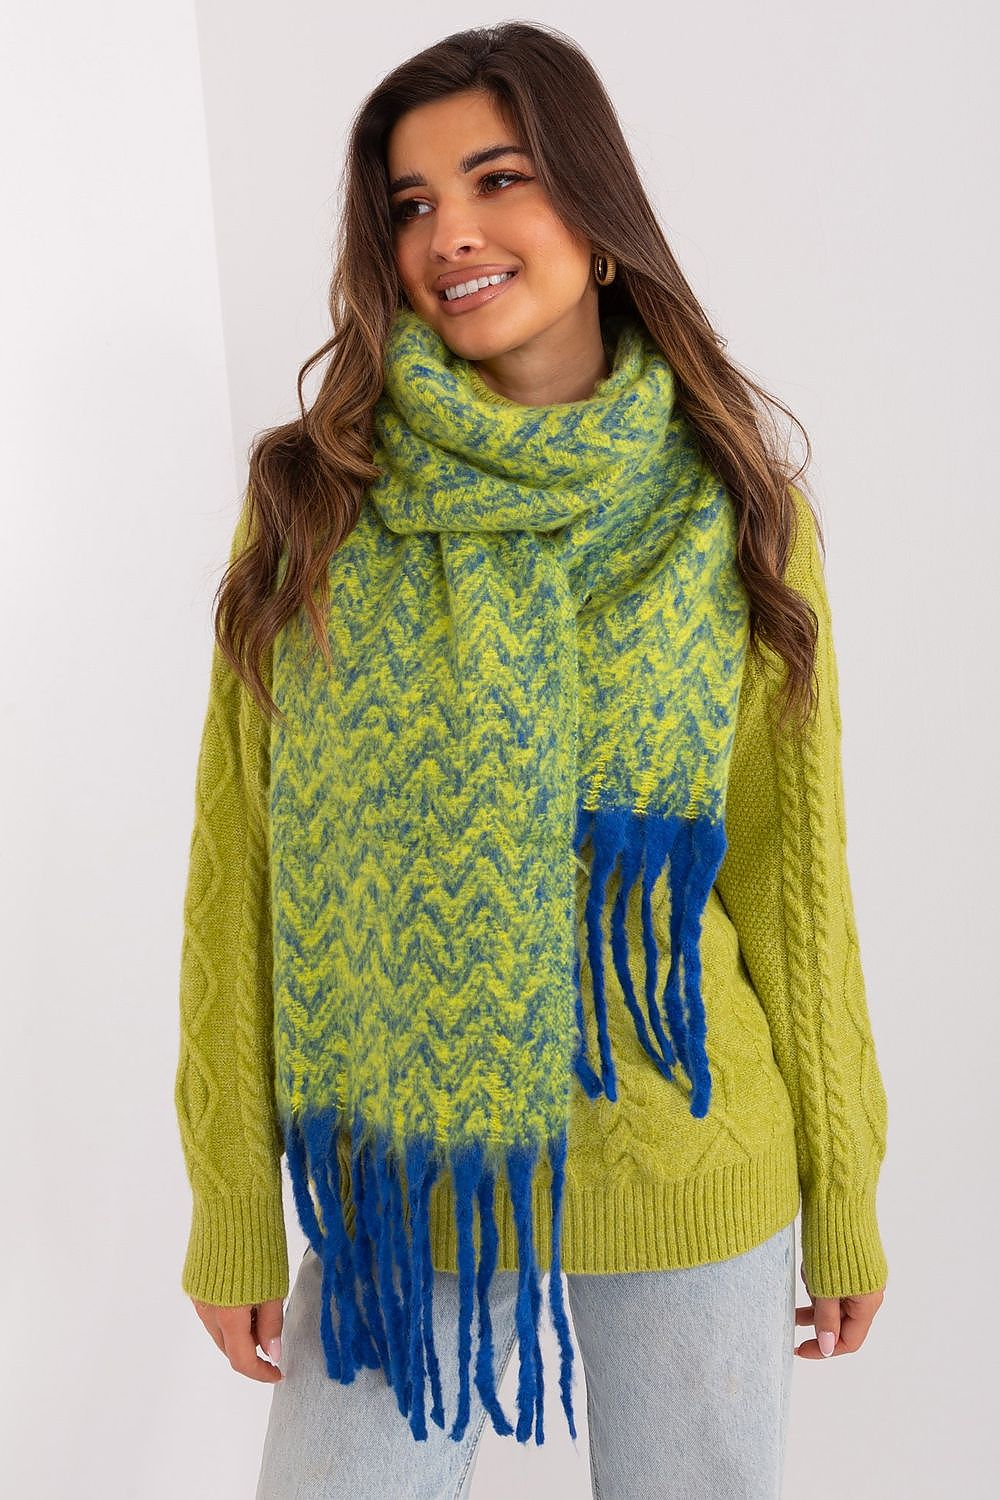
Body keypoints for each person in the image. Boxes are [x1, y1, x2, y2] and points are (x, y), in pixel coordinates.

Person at [173, 21, 889, 1500]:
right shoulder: (315, 504)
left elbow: (792, 881)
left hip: (686, 1153)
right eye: (411, 203)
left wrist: (845, 1188)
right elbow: (239, 868)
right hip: (406, 1171)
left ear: (598, 213)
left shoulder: (732, 510)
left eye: (497, 179)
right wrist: (232, 1200)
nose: (451, 233)